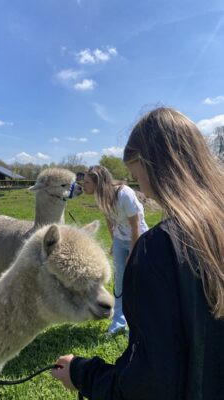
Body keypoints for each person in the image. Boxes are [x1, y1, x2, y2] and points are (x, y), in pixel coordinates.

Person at [52, 107, 224, 399]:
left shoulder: (160, 249)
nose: (140, 184)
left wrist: (83, 373)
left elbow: (149, 382)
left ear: (153, 166)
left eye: (136, 173)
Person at [83, 165, 148, 334]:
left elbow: (135, 226)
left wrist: (133, 253)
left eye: (87, 181)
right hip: (120, 239)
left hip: (139, 238)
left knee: (137, 279)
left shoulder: (124, 194)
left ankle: (139, 322)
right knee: (120, 279)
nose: (83, 185)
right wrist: (114, 242)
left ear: (97, 182)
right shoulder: (101, 196)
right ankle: (118, 321)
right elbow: (109, 221)